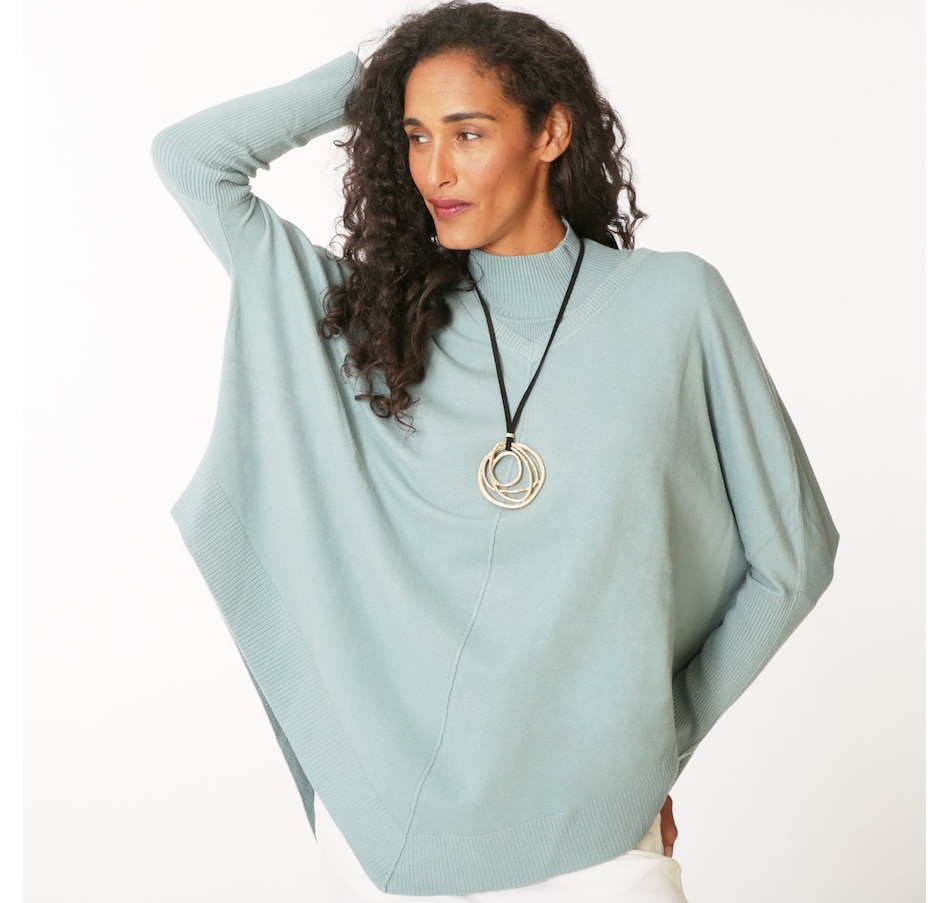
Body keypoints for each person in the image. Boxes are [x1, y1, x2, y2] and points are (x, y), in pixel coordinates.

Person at [152, 2, 838, 900]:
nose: (435, 170)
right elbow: (193, 160)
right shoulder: (372, 321)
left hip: (596, 837)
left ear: (551, 132)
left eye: (468, 133)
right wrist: (377, 72)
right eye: (415, 135)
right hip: (383, 831)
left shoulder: (674, 304)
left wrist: (657, 742)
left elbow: (794, 558)